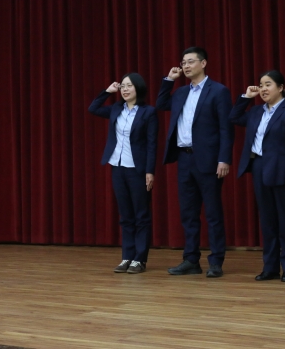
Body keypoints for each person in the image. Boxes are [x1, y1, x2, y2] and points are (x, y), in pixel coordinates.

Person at [156, 47, 234, 278]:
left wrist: (224, 158)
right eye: (183, 63)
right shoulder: (181, 93)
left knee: (212, 213)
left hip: (209, 160)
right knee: (188, 213)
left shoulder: (218, 91)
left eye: (190, 61)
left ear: (203, 63)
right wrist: (169, 80)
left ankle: (216, 261)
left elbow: (226, 128)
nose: (186, 66)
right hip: (184, 158)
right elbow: (161, 104)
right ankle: (191, 259)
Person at [229, 70, 285, 282]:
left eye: (268, 84)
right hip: (259, 167)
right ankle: (270, 267)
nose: (263, 89)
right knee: (268, 221)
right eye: (261, 85)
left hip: (282, 172)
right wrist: (246, 97)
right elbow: (234, 117)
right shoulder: (256, 112)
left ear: (281, 88)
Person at [88, 73, 158, 274]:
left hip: (137, 169)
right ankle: (127, 256)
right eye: (123, 86)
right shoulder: (116, 109)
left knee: (141, 215)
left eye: (129, 86)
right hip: (117, 167)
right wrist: (107, 91)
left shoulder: (148, 112)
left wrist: (149, 171)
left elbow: (152, 144)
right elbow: (93, 108)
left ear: (138, 88)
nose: (125, 90)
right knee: (125, 215)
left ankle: (139, 259)